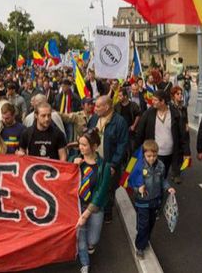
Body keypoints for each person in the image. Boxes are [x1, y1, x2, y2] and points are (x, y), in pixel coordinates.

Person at [72, 128, 111, 273]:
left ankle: (90, 246)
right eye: (79, 144)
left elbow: (100, 192)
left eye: (84, 145)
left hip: (95, 208)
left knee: (92, 240)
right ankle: (85, 264)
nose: (81, 148)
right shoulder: (76, 161)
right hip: (78, 205)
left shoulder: (104, 167)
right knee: (81, 239)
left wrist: (86, 214)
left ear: (94, 146)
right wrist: (73, 166)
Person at [87, 95, 129, 223]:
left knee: (109, 189)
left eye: (98, 106)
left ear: (107, 107)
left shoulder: (120, 122)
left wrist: (113, 165)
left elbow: (122, 145)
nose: (95, 109)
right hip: (93, 162)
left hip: (109, 164)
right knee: (94, 186)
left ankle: (107, 213)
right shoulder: (94, 118)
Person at [132, 140, 176, 258]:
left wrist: (168, 188)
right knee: (143, 224)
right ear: (144, 154)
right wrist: (138, 189)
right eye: (148, 156)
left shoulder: (161, 165)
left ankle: (145, 238)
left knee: (151, 223)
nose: (152, 158)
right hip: (142, 202)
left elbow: (163, 180)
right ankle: (140, 246)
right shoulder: (138, 166)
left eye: (154, 155)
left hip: (155, 201)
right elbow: (131, 183)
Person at [135, 90, 183, 179]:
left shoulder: (174, 113)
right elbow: (140, 131)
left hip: (170, 153)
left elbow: (182, 133)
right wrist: (137, 149)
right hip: (154, 152)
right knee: (153, 176)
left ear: (162, 101)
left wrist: (186, 151)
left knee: (163, 175)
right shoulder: (148, 113)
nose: (152, 102)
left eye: (155, 100)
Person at [170, 86, 191, 184]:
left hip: (183, 133)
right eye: (177, 94)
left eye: (181, 94)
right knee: (175, 154)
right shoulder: (170, 107)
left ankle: (176, 171)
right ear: (173, 95)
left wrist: (187, 127)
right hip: (174, 134)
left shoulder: (183, 108)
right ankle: (176, 174)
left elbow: (186, 119)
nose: (180, 96)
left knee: (183, 154)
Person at [115, 89, 142, 156]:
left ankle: (131, 165)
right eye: (118, 96)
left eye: (120, 96)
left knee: (132, 149)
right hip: (120, 132)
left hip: (131, 132)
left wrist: (134, 125)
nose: (119, 97)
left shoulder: (133, 105)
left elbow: (138, 115)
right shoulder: (117, 106)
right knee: (122, 149)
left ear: (125, 96)